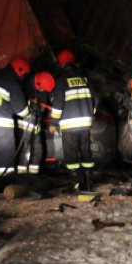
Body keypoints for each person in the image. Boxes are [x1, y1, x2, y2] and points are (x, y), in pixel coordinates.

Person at [49, 49, 97, 199]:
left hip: (69, 126)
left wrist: (53, 123)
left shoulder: (62, 82)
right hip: (85, 125)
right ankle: (88, 185)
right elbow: (95, 102)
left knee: (71, 156)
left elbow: (57, 106)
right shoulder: (85, 80)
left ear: (62, 65)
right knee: (86, 153)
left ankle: (76, 186)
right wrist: (89, 115)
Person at [19, 71, 55, 176]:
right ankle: (22, 176)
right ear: (37, 85)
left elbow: (50, 96)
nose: (44, 92)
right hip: (25, 122)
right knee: (25, 149)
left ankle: (33, 175)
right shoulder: (26, 87)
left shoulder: (43, 86)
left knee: (38, 149)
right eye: (43, 90)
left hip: (37, 122)